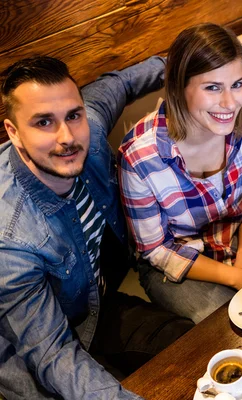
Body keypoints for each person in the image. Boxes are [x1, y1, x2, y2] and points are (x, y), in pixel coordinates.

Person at [0, 56, 194, 399]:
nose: (67, 137)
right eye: (43, 122)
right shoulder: (12, 237)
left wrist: (184, 62)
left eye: (73, 115)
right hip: (29, 342)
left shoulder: (89, 126)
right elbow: (51, 353)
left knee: (187, 344)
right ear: (14, 132)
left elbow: (121, 83)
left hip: (95, 305)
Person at [118, 23, 242, 324]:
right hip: (176, 264)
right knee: (231, 327)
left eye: (237, 84)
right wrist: (235, 277)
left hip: (236, 240)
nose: (230, 103)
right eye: (212, 87)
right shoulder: (139, 157)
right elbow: (156, 250)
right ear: (178, 88)